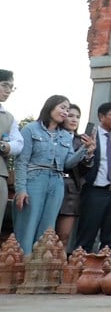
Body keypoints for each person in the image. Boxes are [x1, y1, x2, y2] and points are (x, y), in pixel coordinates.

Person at [14, 95, 94, 252]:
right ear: (50, 106)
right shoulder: (31, 129)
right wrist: (21, 189)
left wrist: (84, 149)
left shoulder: (64, 135)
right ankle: (21, 266)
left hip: (57, 182)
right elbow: (21, 162)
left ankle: (38, 270)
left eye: (67, 109)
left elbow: (68, 164)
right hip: (35, 179)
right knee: (28, 225)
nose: (65, 112)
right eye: (62, 108)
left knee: (47, 228)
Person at [76, 102, 111, 253]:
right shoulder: (89, 137)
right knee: (87, 233)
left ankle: (106, 272)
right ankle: (80, 269)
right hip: (95, 191)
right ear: (101, 116)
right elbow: (80, 165)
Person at [55, 103, 87, 250]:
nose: (74, 120)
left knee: (65, 236)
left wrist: (89, 155)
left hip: (72, 189)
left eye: (78, 117)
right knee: (46, 233)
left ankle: (59, 271)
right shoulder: (53, 135)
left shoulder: (82, 141)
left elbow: (84, 171)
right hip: (53, 183)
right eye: (71, 116)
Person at [0, 70, 25, 235]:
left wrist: (4, 147)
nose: (8, 90)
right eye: (4, 85)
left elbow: (19, 143)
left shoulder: (8, 117)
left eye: (11, 87)